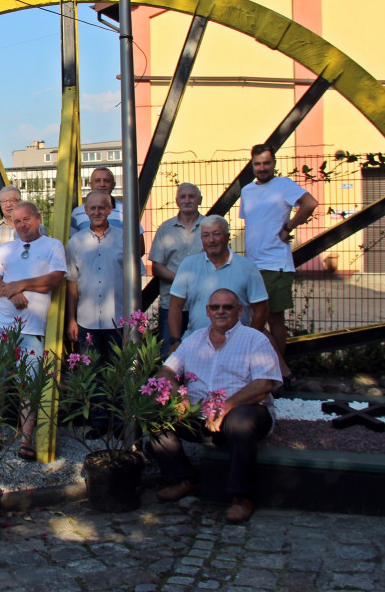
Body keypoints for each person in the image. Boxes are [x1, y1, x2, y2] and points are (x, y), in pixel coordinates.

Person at [150, 288, 282, 524]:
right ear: (207, 312)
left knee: (240, 422)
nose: (221, 311)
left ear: (239, 311)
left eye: (228, 307)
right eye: (215, 307)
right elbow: (166, 371)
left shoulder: (255, 340)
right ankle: (184, 479)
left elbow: (265, 384)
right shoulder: (194, 340)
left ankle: (242, 497)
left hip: (244, 412)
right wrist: (178, 397)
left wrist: (226, 406)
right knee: (155, 412)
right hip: (200, 414)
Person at [0, 201, 66, 460]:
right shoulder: (7, 249)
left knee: (30, 383)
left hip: (32, 328)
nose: (22, 224)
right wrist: (13, 293)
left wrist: (20, 284)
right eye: (17, 220)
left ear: (38, 218)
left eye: (26, 219)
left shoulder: (53, 245)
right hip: (1, 324)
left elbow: (55, 279)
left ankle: (26, 437)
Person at [240, 144, 318, 382]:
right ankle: (272, 369)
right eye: (257, 164)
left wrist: (289, 227)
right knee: (250, 317)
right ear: (252, 165)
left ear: (274, 163)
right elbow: (253, 223)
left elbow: (310, 203)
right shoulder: (246, 190)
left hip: (276, 264)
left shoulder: (283, 185)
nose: (262, 168)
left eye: (266, 163)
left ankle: (277, 373)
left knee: (274, 319)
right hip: (253, 264)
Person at [168, 216, 268, 349]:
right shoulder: (188, 265)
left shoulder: (247, 268)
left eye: (216, 234)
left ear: (227, 237)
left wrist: (249, 343)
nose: (211, 240)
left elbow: (261, 309)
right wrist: (175, 341)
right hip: (196, 345)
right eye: (206, 235)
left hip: (236, 346)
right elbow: (175, 306)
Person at [66, 191, 123, 366]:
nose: (97, 212)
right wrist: (71, 320)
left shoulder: (125, 239)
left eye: (101, 208)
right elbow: (72, 283)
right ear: (86, 210)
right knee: (91, 377)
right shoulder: (75, 242)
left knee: (118, 376)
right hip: (86, 322)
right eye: (92, 208)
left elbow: (133, 282)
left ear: (110, 210)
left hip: (118, 321)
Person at [149, 184, 205, 354]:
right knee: (170, 354)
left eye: (191, 196)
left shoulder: (209, 227)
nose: (187, 200)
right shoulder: (165, 229)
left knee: (201, 353)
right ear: (176, 201)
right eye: (183, 197)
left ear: (199, 200)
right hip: (171, 303)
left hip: (203, 302)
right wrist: (182, 281)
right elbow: (156, 267)